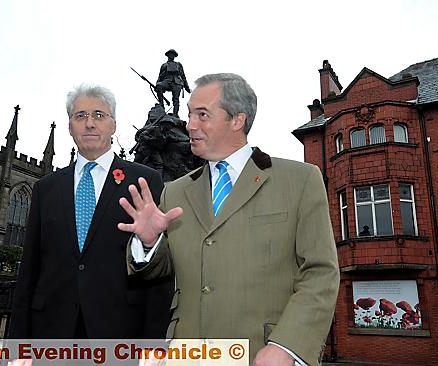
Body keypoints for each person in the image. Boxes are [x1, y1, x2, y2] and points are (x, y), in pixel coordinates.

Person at [118, 73, 340, 365]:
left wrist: (289, 346)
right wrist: (148, 244)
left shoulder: (300, 181)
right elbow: (160, 272)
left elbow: (320, 272)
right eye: (189, 114)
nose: (189, 125)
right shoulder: (174, 192)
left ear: (237, 120)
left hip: (261, 354)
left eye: (202, 114)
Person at [9, 84, 174, 341]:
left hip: (119, 330)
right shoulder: (46, 188)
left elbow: (158, 277)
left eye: (99, 115)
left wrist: (153, 345)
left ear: (114, 125)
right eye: (80, 116)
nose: (89, 124)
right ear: (70, 127)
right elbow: (30, 269)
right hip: (51, 331)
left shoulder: (143, 180)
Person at [154, 49, 190, 116]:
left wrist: (186, 87)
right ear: (167, 55)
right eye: (170, 54)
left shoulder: (178, 65)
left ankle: (175, 114)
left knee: (175, 99)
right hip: (167, 81)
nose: (172, 55)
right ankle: (161, 106)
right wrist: (157, 84)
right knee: (159, 86)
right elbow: (160, 76)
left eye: (173, 54)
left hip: (177, 82)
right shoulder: (164, 65)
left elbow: (183, 76)